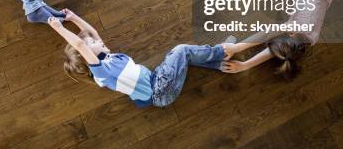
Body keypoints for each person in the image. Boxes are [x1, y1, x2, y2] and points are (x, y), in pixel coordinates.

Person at [49, 10, 236, 107]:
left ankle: (220, 63)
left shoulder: (106, 58)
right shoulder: (102, 73)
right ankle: (222, 51)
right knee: (181, 51)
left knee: (181, 57)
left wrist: (73, 18)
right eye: (92, 43)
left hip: (158, 80)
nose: (96, 40)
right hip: (159, 91)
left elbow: (92, 32)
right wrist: (59, 29)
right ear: (87, 56)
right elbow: (81, 45)